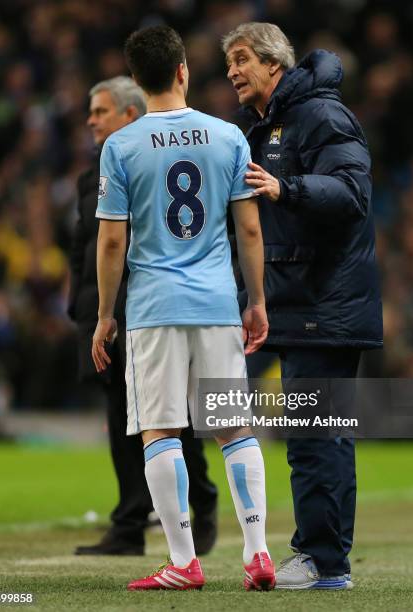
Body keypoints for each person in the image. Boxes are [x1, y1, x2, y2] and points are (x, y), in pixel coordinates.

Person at [92, 25, 274, 592]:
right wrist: (258, 300)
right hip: (218, 304)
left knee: (160, 430)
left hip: (154, 308)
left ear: (138, 81)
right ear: (182, 72)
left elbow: (112, 242)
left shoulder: (120, 146)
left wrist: (104, 315)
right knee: (233, 428)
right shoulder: (227, 137)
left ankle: (183, 561)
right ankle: (258, 552)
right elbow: (248, 227)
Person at [223, 23, 383, 590]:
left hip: (327, 303)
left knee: (319, 436)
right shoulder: (264, 125)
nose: (233, 71)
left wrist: (286, 187)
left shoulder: (322, 116)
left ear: (274, 63)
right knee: (307, 435)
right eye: (228, 63)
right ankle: (317, 556)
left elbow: (354, 193)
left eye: (242, 59)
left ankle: (325, 562)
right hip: (295, 304)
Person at [68, 76, 218, 557]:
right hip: (105, 309)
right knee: (121, 419)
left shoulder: (145, 161)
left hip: (148, 307)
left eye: (100, 110)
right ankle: (131, 522)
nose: (91, 119)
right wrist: (84, 307)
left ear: (130, 115)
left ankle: (203, 498)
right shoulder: (92, 173)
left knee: (170, 416)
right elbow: (84, 246)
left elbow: (134, 241)